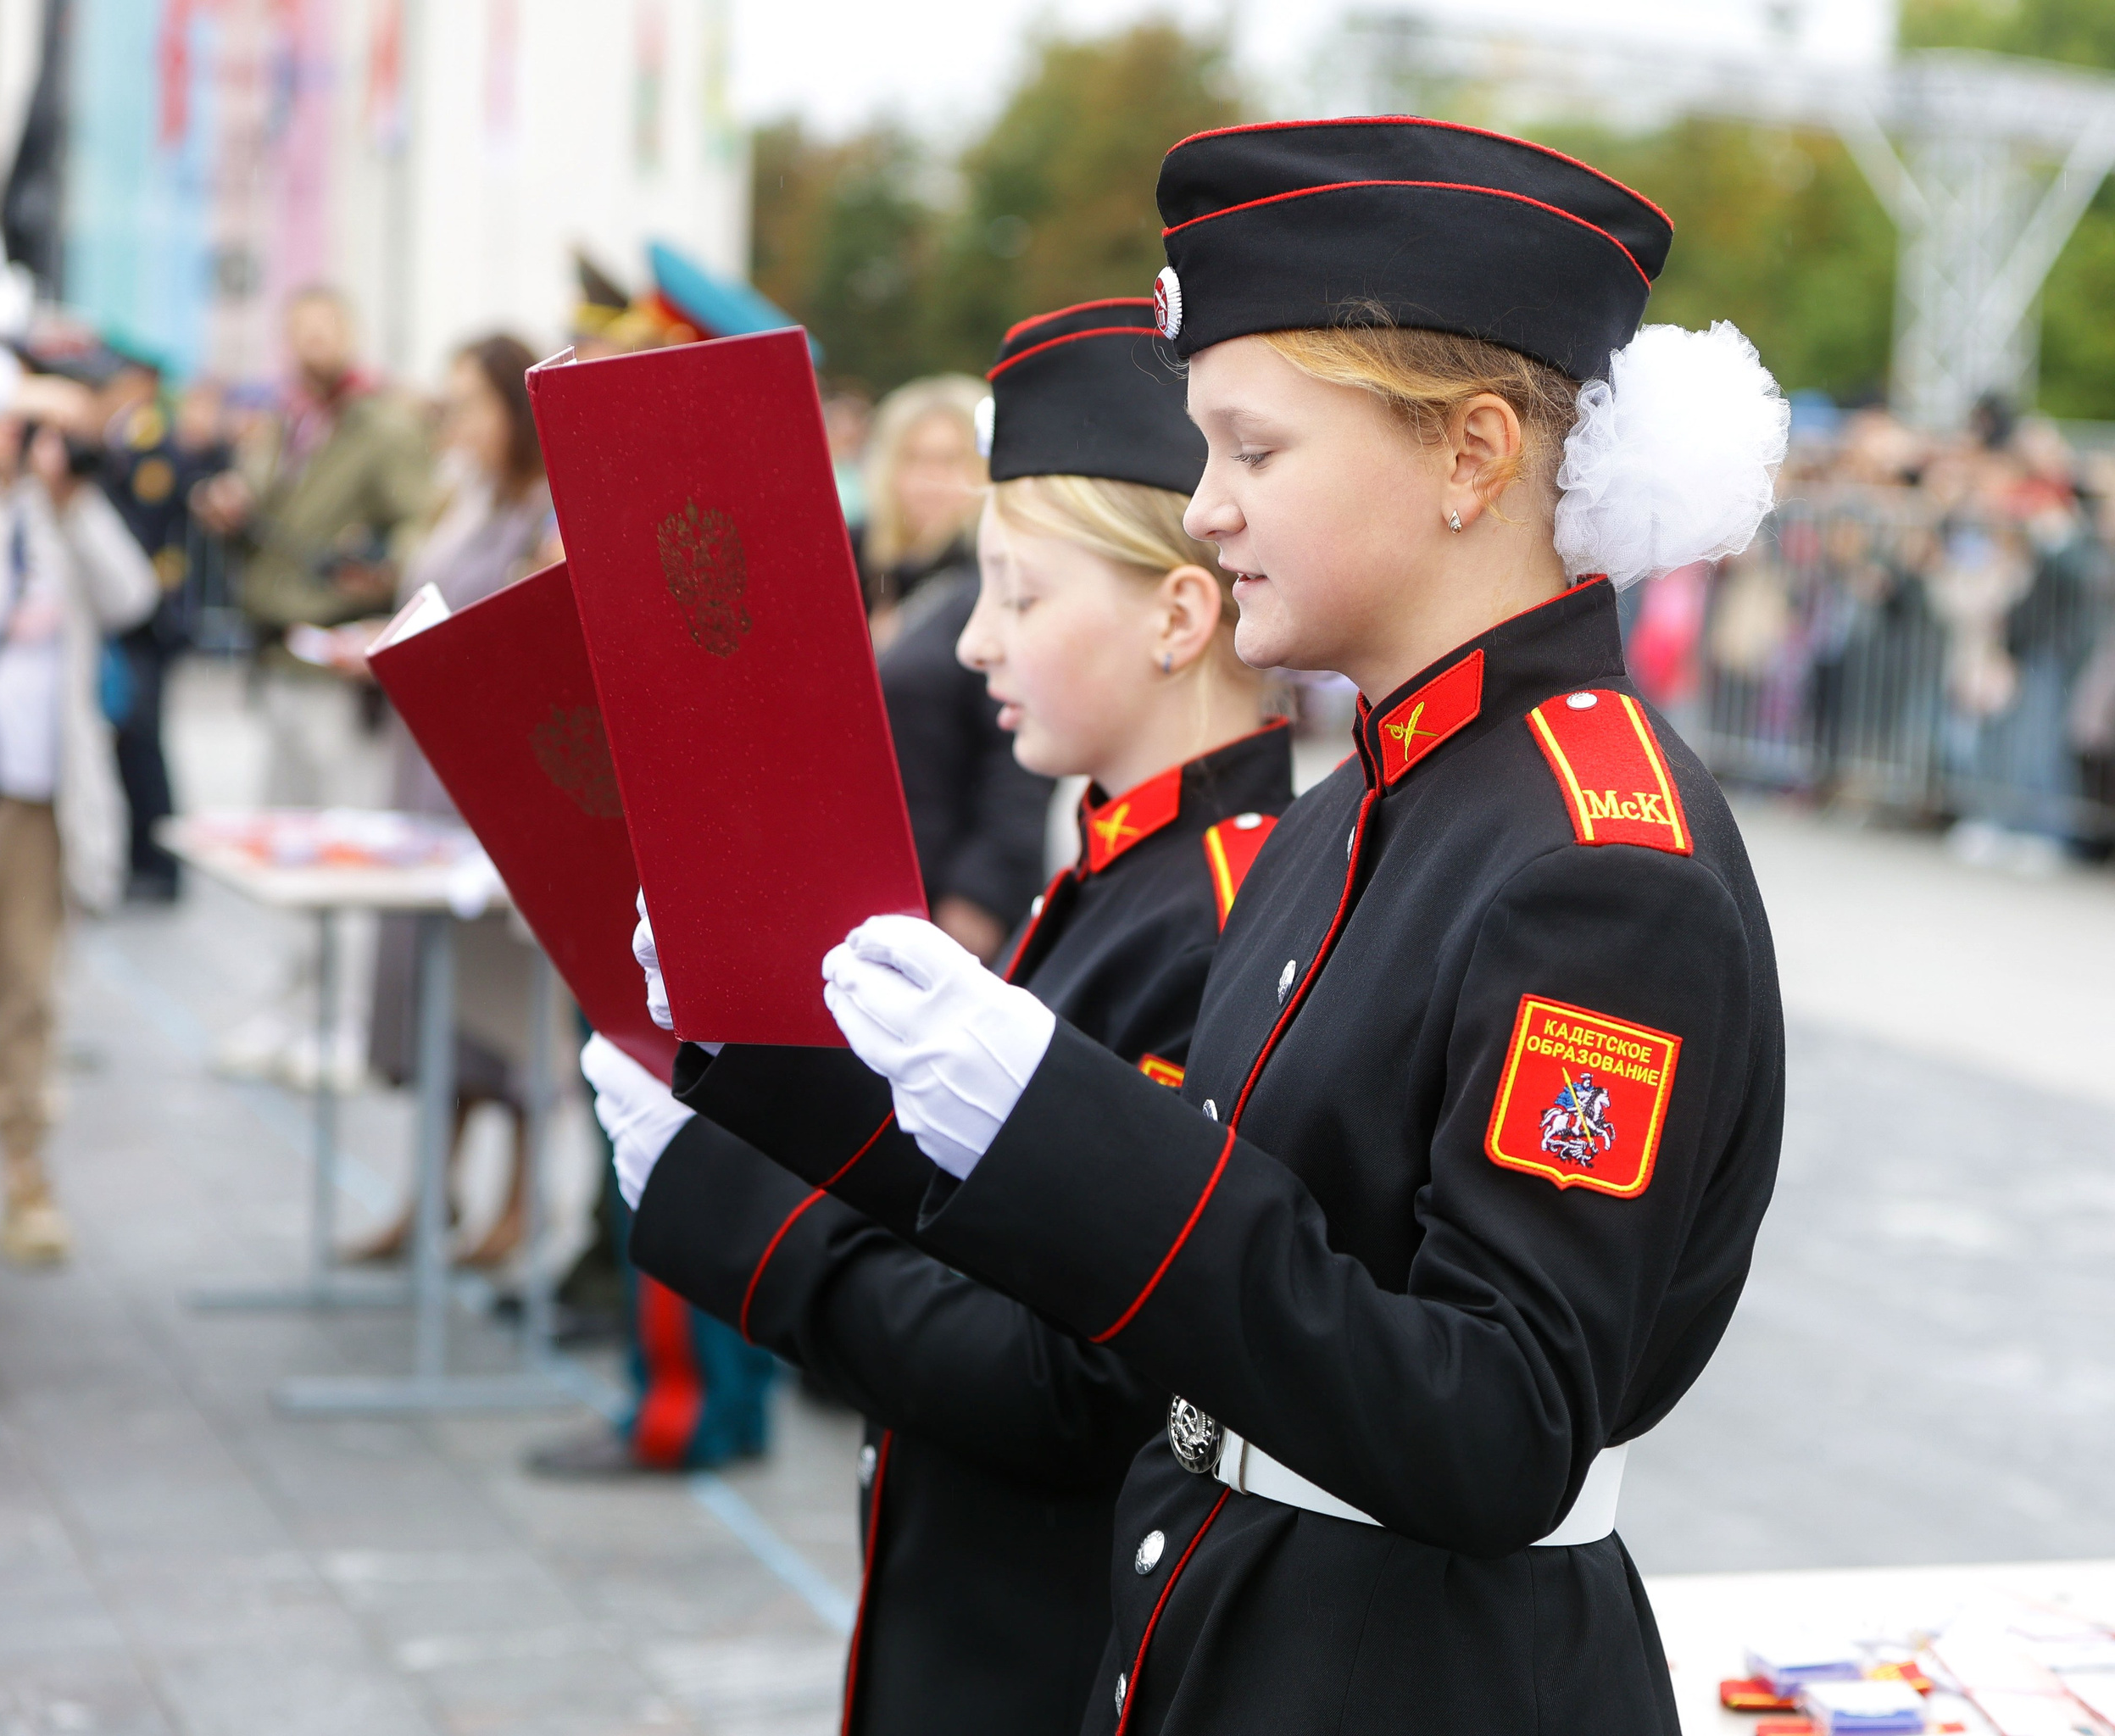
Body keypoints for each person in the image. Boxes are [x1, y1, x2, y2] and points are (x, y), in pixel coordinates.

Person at [719, 120, 1789, 1733]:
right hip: (1236, 1621)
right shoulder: (1341, 816)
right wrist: (751, 1066)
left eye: (1254, 450)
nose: (1206, 511)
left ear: (1471, 453)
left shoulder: (1596, 857)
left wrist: (1065, 1119)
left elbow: (1499, 1421)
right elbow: (1236, 1237)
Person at [584, 299, 1293, 1731]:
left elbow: (1073, 1379)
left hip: (1053, 1648)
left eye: (1020, 594)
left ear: (1178, 611)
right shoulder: (1125, 870)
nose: (976, 642)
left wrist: (739, 1217)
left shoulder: (1218, 906)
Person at [347, 333, 561, 1266]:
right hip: (428, 762)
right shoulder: (462, 498)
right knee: (431, 990)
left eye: (471, 403)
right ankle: (431, 1187)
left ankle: (519, 1203)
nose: (457, 421)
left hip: (492, 774)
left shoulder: (545, 512)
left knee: (501, 998)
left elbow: (534, 643)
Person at [192, 285, 434, 1087]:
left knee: (348, 844)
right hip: (279, 652)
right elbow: (267, 508)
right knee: (290, 842)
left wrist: (375, 562)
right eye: (298, 333)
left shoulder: (385, 424)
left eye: (323, 330)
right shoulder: (287, 420)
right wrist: (233, 504)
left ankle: (349, 1024)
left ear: (350, 334)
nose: (310, 345)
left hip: (338, 658)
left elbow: (416, 531)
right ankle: (288, 1007)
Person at [0, 403, 157, 1262]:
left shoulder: (57, 513)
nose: (15, 439)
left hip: (37, 794)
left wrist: (73, 499)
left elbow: (132, 596)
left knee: (27, 991)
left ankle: (25, 1171)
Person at [860, 375, 1053, 962]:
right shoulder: (865, 570)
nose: (930, 481)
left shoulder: (996, 583)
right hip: (862, 881)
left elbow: (1019, 759)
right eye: (913, 460)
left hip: (944, 893)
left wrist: (980, 897)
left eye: (951, 461)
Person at [93, 351, 218, 902]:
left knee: (144, 739)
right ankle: (141, 855)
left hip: (149, 617)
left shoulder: (150, 443)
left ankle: (159, 862)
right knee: (129, 739)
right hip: (131, 615)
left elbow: (144, 525)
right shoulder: (128, 439)